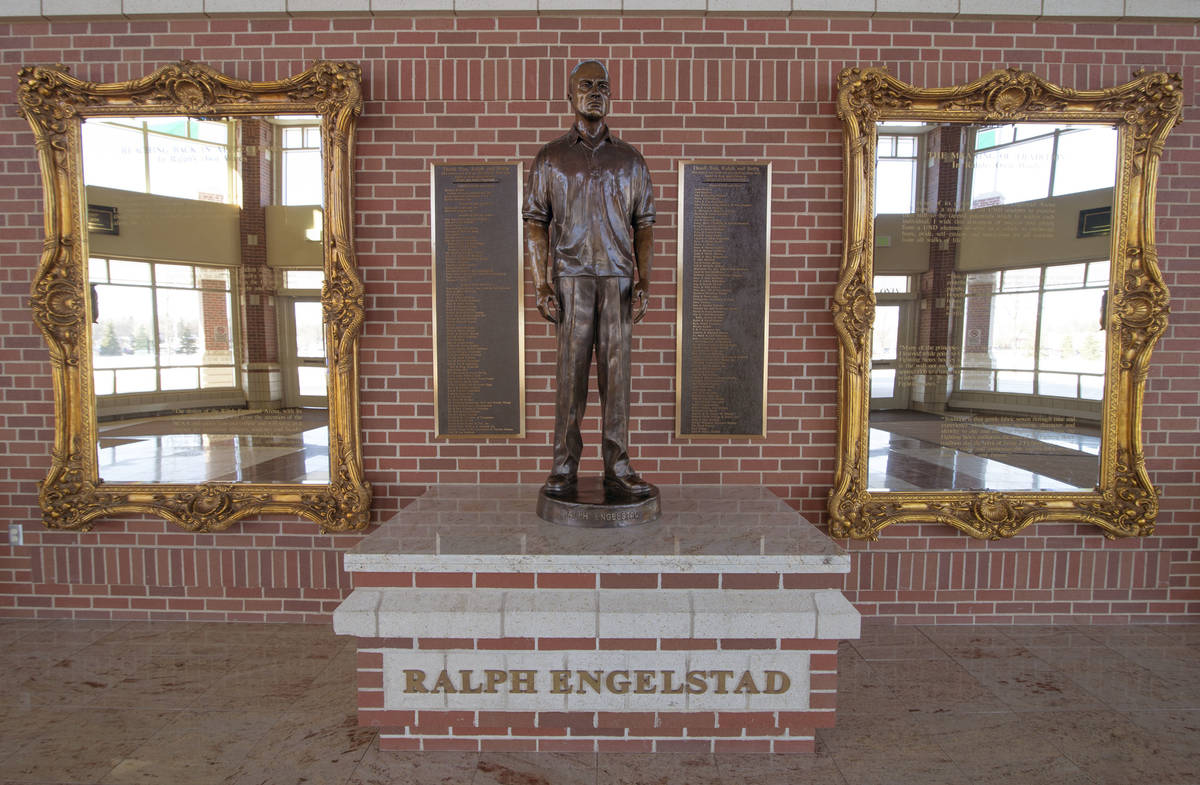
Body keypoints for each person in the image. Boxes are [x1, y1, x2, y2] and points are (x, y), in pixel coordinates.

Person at [523, 60, 655, 498]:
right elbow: (535, 223)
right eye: (586, 85)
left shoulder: (631, 160)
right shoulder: (550, 157)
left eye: (603, 86)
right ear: (570, 95)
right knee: (571, 379)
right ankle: (564, 467)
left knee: (617, 382)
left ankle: (618, 465)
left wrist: (644, 280)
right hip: (571, 281)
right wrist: (541, 284)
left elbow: (646, 224)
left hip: (617, 281)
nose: (595, 92)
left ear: (611, 95)